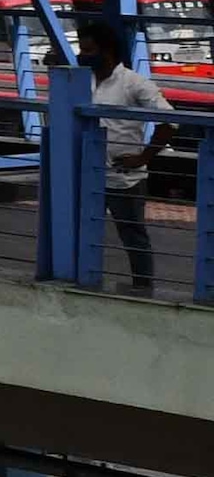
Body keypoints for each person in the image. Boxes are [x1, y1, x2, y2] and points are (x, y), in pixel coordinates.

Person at [82, 17, 178, 295]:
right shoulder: (80, 80)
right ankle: (84, 279)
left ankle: (143, 288)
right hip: (87, 173)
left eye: (89, 51)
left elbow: (169, 121)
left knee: (133, 236)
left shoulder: (134, 83)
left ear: (107, 51)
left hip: (124, 177)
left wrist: (143, 158)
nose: (82, 56)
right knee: (84, 232)